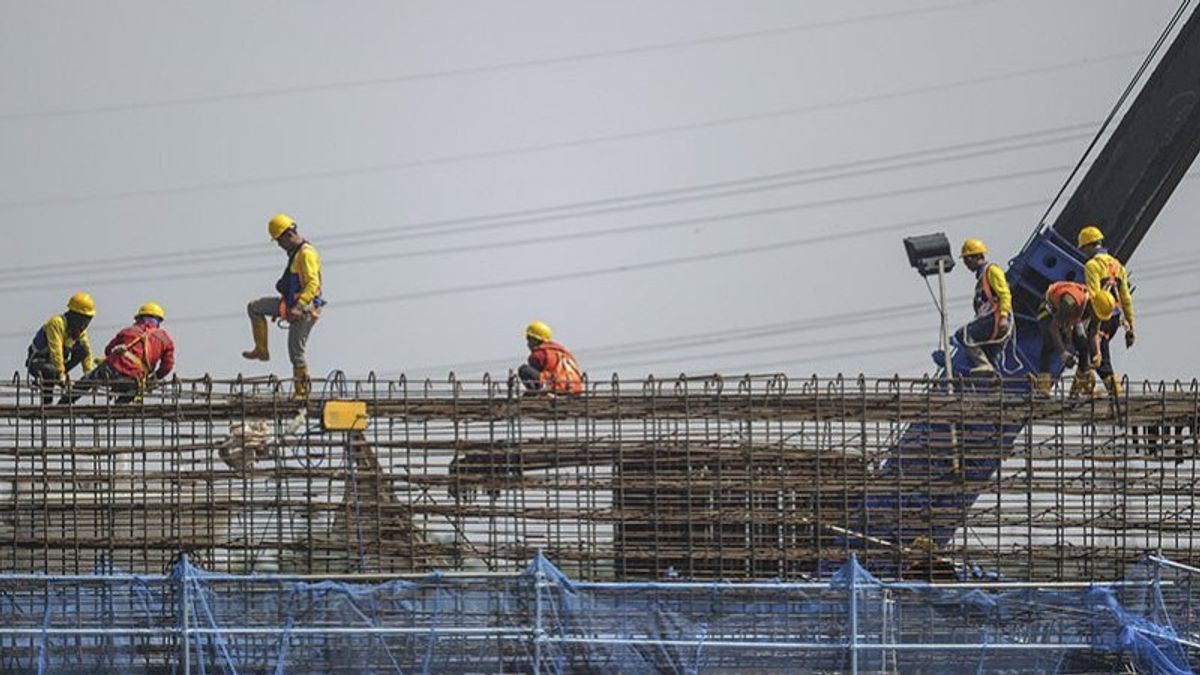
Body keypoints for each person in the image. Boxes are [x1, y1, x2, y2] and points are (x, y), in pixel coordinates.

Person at [242, 213, 324, 399]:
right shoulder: (296, 254)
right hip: (290, 304)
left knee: (296, 350)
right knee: (255, 307)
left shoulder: (306, 254)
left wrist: (299, 306)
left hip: (305, 309)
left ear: (289, 234)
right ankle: (261, 349)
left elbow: (313, 284)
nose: (279, 245)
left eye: (279, 240)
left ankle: (301, 393)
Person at [63, 302, 175, 405]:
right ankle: (119, 407)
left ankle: (64, 402)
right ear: (158, 321)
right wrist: (154, 378)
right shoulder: (165, 340)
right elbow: (167, 366)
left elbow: (108, 350)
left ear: (139, 318)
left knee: (88, 380)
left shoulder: (128, 331)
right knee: (133, 391)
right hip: (134, 380)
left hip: (111, 372)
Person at [1077, 225, 1135, 400]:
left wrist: (1091, 321)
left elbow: (1094, 295)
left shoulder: (1092, 265)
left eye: (1083, 248)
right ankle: (1084, 384)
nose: (1083, 252)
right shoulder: (1118, 266)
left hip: (1101, 316)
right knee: (1090, 351)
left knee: (1098, 355)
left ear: (1089, 245)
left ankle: (1116, 395)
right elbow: (1126, 298)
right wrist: (1131, 325)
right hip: (1115, 317)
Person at [26, 292, 97, 404]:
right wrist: (61, 373)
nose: (85, 324)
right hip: (38, 362)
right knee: (50, 370)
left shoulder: (79, 331)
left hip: (58, 365)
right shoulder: (57, 323)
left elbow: (87, 353)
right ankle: (47, 403)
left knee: (83, 350)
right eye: (84, 319)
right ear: (75, 315)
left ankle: (59, 382)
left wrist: (90, 376)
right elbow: (56, 351)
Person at [954, 239, 1012, 374]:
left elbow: (1005, 294)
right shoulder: (982, 278)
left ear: (973, 258)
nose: (966, 264)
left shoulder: (991, 270)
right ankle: (996, 388)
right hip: (992, 321)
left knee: (963, 334)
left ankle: (983, 364)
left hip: (996, 320)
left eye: (966, 260)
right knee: (991, 358)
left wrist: (1003, 317)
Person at [1034, 281, 1092, 397]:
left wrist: (1096, 355)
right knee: (1049, 343)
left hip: (1071, 316)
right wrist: (1063, 352)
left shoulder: (1093, 305)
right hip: (1050, 312)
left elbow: (1093, 331)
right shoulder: (1069, 301)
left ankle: (1080, 387)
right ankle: (1043, 388)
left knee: (1083, 346)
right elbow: (1053, 327)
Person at [518, 321, 583, 394]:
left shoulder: (539, 354)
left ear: (536, 340)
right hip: (576, 388)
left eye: (529, 339)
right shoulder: (563, 352)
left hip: (557, 386)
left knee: (524, 369)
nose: (528, 343)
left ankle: (535, 394)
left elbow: (536, 378)